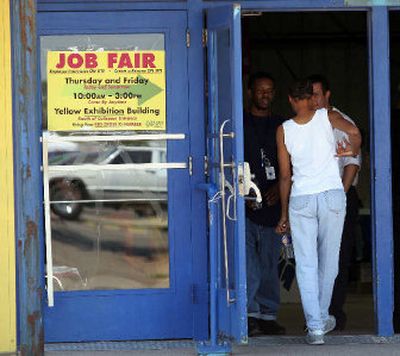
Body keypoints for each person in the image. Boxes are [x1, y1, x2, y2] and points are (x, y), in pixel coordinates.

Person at [276, 79, 361, 345]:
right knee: (329, 262)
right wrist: (351, 149)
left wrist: (283, 215)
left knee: (306, 264)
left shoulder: (283, 129)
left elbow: (285, 176)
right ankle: (322, 318)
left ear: (290, 99)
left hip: (301, 199)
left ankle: (315, 327)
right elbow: (355, 132)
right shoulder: (328, 116)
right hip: (332, 196)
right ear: (313, 99)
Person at [308, 74, 362, 331]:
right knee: (315, 258)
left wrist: (338, 197)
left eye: (317, 95)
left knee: (337, 258)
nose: (313, 100)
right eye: (309, 95)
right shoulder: (307, 123)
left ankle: (333, 313)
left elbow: (351, 163)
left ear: (327, 95)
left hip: (339, 194)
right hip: (312, 196)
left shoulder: (340, 122)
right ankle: (317, 314)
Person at [244, 72, 286, 336]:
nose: (265, 95)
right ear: (250, 92)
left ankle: (268, 315)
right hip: (245, 201)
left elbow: (290, 164)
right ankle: (247, 315)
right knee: (248, 263)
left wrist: (281, 191)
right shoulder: (239, 121)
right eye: (260, 90)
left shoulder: (282, 125)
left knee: (270, 262)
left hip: (273, 202)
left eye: (269, 90)